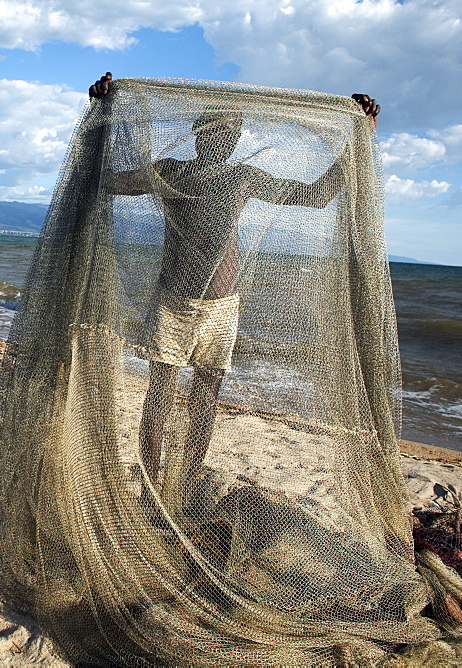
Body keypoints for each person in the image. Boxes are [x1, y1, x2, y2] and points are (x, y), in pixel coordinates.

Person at [104, 84, 381, 505]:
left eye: (230, 132)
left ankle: (188, 480)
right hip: (173, 304)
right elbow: (111, 182)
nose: (221, 137)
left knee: (205, 398)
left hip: (222, 308)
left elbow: (316, 196)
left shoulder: (241, 176)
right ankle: (150, 485)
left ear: (235, 141)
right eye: (212, 129)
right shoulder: (171, 171)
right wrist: (102, 114)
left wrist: (356, 139)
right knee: (159, 397)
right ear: (197, 135)